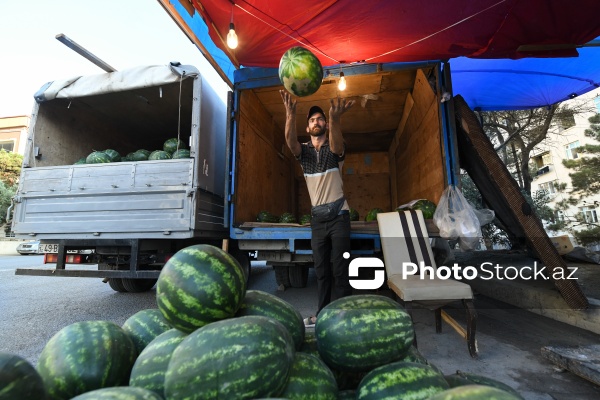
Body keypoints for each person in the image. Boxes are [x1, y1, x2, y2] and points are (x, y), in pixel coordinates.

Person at [280, 90, 356, 327]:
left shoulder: (335, 150)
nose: (316, 122)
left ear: (325, 124)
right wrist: (290, 114)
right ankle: (323, 314)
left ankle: (342, 315)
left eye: (320, 118)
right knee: (322, 271)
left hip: (340, 217)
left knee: (340, 268)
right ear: (307, 127)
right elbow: (290, 143)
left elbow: (336, 143)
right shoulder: (303, 154)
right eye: (312, 120)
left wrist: (335, 119)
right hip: (318, 222)